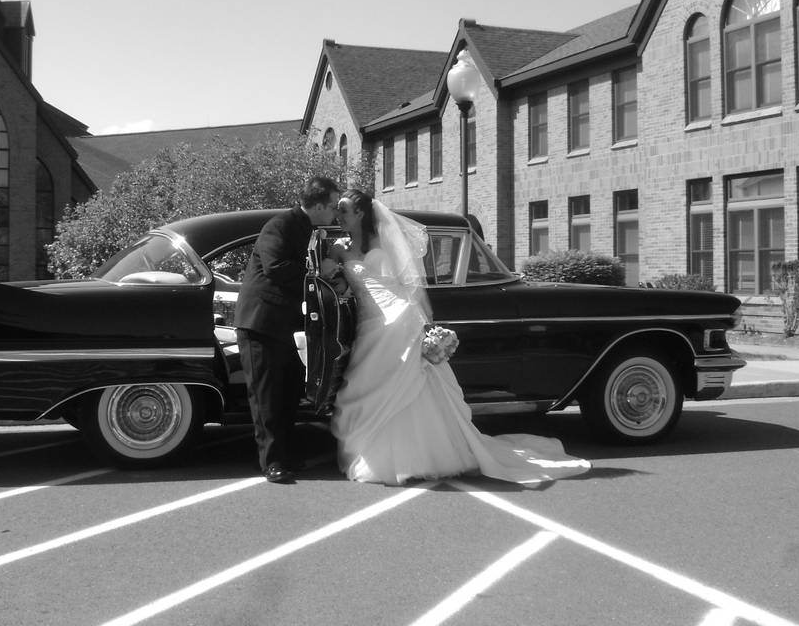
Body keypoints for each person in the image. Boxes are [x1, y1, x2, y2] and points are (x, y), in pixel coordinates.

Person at [325, 189, 590, 486]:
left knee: (409, 387)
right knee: (379, 386)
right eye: (337, 210)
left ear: (360, 213)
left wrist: (425, 323)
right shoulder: (338, 247)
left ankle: (414, 458)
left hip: (399, 319)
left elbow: (409, 286)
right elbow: (334, 283)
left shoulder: (382, 242)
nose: (339, 215)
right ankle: (400, 454)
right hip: (371, 323)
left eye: (344, 210)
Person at [236, 176, 341, 483]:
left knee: (289, 393)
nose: (335, 212)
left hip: (288, 327)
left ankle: (285, 453)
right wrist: (319, 271)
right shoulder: (279, 225)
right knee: (267, 396)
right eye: (333, 206)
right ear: (319, 205)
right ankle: (272, 462)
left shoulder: (308, 229)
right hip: (261, 323)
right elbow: (275, 268)